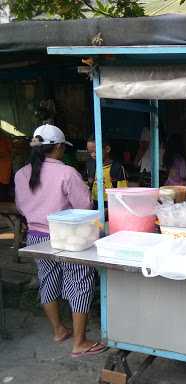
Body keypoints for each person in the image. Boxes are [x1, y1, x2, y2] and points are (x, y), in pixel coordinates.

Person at [15, 124, 107, 357]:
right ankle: (80, 342)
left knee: (47, 281)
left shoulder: (21, 174)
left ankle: (58, 330)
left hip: (35, 237)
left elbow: (20, 206)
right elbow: (84, 207)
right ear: (57, 147)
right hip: (67, 237)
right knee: (80, 283)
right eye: (62, 148)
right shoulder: (67, 173)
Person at [86, 136, 128, 206]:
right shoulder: (90, 165)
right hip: (94, 203)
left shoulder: (117, 168)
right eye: (90, 152)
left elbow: (123, 193)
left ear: (107, 149)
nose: (92, 155)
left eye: (95, 152)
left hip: (111, 204)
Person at [0, 132, 12, 201]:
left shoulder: (5, 138)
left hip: (4, 170)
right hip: (4, 171)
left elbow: (11, 150)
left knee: (3, 193)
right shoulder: (5, 138)